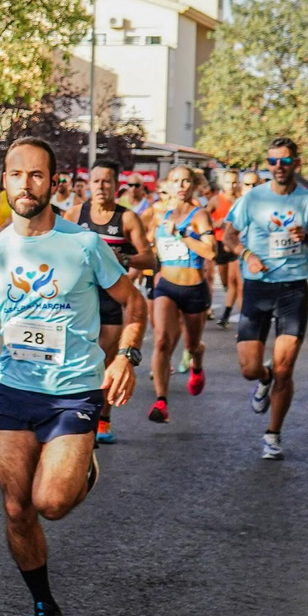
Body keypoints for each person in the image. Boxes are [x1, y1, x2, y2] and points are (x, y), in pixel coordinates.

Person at [0, 137, 146, 616]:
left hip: (75, 391)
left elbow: (134, 305)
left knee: (50, 502)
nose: (25, 185)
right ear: (3, 181)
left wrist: (125, 356)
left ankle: (82, 469)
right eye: (15, 175)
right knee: (15, 508)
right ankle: (43, 607)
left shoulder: (84, 246)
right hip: (16, 392)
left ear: (54, 183)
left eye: (36, 176)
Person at [221, 138, 308, 461]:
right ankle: (263, 378)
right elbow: (229, 235)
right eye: (272, 161)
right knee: (249, 368)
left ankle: (272, 435)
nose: (278, 167)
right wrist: (246, 254)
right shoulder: (253, 198)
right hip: (258, 287)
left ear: (297, 163)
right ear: (267, 164)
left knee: (286, 369)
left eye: (285, 161)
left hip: (294, 289)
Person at [67, 159, 153, 443]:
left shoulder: (126, 218)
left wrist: (122, 258)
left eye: (107, 181)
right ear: (88, 184)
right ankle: (73, 413)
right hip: (80, 299)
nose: (101, 187)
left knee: (104, 362)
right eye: (96, 181)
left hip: (112, 298)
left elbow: (149, 258)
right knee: (76, 360)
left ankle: (102, 420)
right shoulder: (74, 214)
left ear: (117, 185)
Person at [146, 166, 216, 421]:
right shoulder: (159, 216)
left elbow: (210, 252)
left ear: (193, 185)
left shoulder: (200, 216)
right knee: (162, 341)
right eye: (176, 181)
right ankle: (161, 402)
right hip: (166, 286)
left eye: (186, 181)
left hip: (194, 288)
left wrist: (184, 235)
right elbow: (149, 245)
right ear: (169, 185)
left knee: (191, 345)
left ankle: (197, 362)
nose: (181, 185)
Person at [209, 172, 241, 329]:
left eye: (234, 182)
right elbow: (202, 219)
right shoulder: (216, 200)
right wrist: (216, 223)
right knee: (225, 280)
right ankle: (230, 302)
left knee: (235, 279)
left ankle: (226, 314)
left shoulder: (242, 200)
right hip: (220, 243)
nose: (232, 185)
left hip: (237, 243)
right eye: (228, 182)